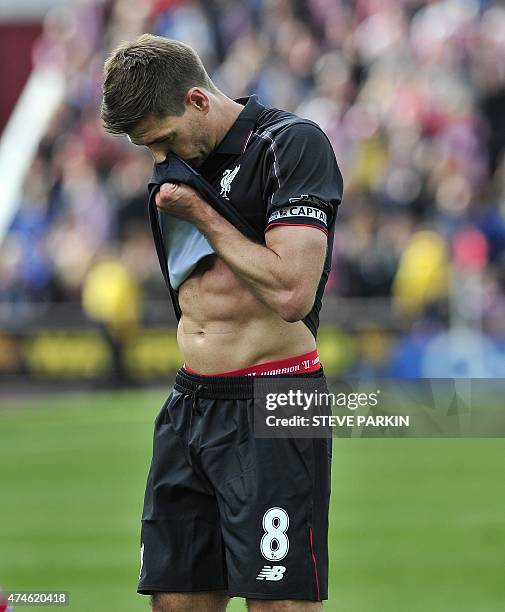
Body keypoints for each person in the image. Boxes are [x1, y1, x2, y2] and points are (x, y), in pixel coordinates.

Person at [101, 34, 343, 612]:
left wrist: (202, 214)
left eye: (163, 138)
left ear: (198, 100)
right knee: (175, 601)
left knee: (278, 603)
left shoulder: (290, 144)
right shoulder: (174, 166)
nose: (159, 157)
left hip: (275, 399)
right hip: (191, 404)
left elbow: (291, 291)